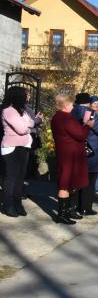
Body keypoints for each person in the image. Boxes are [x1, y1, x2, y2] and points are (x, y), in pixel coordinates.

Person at [51, 93, 93, 224]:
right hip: (70, 154)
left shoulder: (57, 117)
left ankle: (67, 211)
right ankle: (62, 215)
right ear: (65, 105)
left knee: (69, 183)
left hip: (65, 152)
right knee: (65, 184)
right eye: (70, 104)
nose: (73, 106)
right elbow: (80, 135)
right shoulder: (65, 118)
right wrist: (87, 125)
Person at [1, 87, 38, 217]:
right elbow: (22, 129)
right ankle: (8, 206)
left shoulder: (23, 111)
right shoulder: (8, 111)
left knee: (20, 179)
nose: (27, 97)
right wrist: (30, 126)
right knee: (10, 179)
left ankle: (18, 204)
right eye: (24, 95)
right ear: (17, 96)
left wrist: (30, 124)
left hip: (24, 147)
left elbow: (31, 122)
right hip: (12, 148)